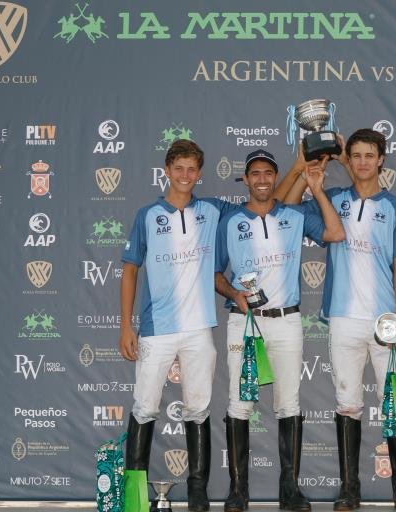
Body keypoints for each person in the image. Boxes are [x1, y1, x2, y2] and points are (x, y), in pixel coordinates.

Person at [277, 129, 396, 511]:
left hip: (384, 320)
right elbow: (287, 209)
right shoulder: (334, 198)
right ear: (348, 159)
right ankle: (349, 489)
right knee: (347, 404)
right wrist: (307, 177)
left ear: (381, 160)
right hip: (343, 319)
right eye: (355, 155)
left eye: (369, 155)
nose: (362, 162)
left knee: (395, 404)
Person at [214, 149, 345, 512]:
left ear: (276, 178)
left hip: (286, 321)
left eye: (267, 173)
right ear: (245, 179)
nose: (261, 179)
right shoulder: (229, 220)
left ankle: (290, 489)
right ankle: (238, 491)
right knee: (240, 403)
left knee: (289, 403)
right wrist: (235, 294)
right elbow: (214, 274)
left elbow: (335, 232)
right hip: (245, 322)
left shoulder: (294, 214)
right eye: (254, 173)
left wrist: (316, 188)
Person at [118, 139, 237, 512]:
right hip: (156, 328)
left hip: (199, 329)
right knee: (144, 407)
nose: (185, 175)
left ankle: (197, 491)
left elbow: (260, 203)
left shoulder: (212, 210)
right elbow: (130, 271)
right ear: (167, 171)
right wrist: (126, 326)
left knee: (198, 409)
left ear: (199, 173)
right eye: (179, 168)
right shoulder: (147, 215)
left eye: (192, 169)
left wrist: (299, 169)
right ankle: (135, 494)